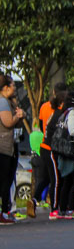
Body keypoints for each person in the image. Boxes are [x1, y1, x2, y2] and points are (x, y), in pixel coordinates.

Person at [46, 95, 74, 219]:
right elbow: (73, 131)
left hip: (65, 150)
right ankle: (71, 207)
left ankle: (64, 208)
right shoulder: (72, 113)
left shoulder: (64, 113)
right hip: (71, 149)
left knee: (68, 180)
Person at [35, 82, 68, 217]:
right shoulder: (61, 112)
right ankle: (54, 208)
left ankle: (35, 198)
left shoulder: (44, 107)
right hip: (51, 147)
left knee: (48, 177)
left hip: (45, 143)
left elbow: (43, 125)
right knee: (55, 178)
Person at [0, 75, 25, 224]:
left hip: (9, 146)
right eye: (13, 85)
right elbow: (8, 122)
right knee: (4, 180)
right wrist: (18, 116)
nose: (15, 88)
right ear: (5, 88)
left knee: (8, 180)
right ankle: (3, 212)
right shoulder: (2, 102)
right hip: (3, 147)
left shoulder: (8, 101)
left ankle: (6, 211)